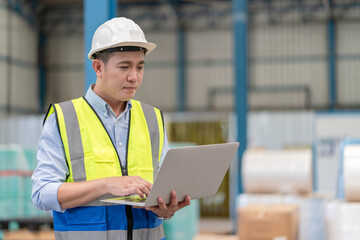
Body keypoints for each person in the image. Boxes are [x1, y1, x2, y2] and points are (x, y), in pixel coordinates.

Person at [32, 17, 191, 240]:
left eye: (140, 67)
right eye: (124, 67)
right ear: (98, 67)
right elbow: (42, 194)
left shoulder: (152, 118)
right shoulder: (64, 118)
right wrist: (107, 184)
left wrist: (166, 209)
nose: (134, 77)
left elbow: (163, 187)